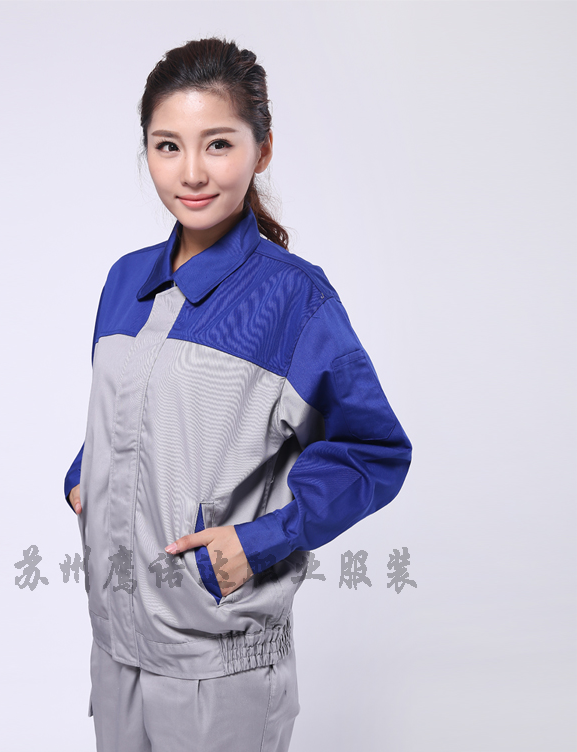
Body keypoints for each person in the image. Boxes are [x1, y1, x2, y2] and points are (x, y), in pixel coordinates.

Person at [63, 36, 412, 752]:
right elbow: (139, 411)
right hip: (115, 646)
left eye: (218, 144)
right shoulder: (124, 281)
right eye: (167, 146)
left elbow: (374, 451)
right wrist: (84, 478)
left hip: (218, 664)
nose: (191, 171)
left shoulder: (293, 299)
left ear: (263, 149)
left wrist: (257, 542)